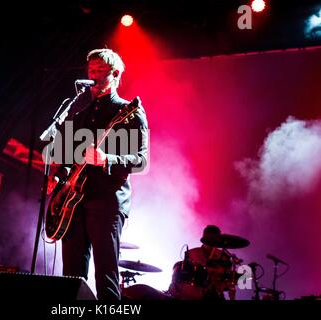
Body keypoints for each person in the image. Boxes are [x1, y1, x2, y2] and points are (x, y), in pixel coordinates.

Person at [47, 48, 149, 300]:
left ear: (114, 74)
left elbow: (141, 160)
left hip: (107, 201)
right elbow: (63, 159)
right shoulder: (78, 114)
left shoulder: (129, 112)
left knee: (105, 274)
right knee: (71, 275)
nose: (93, 75)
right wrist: (56, 176)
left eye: (100, 70)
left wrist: (107, 160)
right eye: (90, 70)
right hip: (72, 203)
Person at [169, 225, 236, 300]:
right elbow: (182, 276)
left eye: (215, 241)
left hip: (214, 295)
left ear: (219, 241)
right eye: (209, 240)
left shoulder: (224, 257)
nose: (212, 243)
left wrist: (224, 284)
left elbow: (228, 281)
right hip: (192, 292)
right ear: (203, 239)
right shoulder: (191, 253)